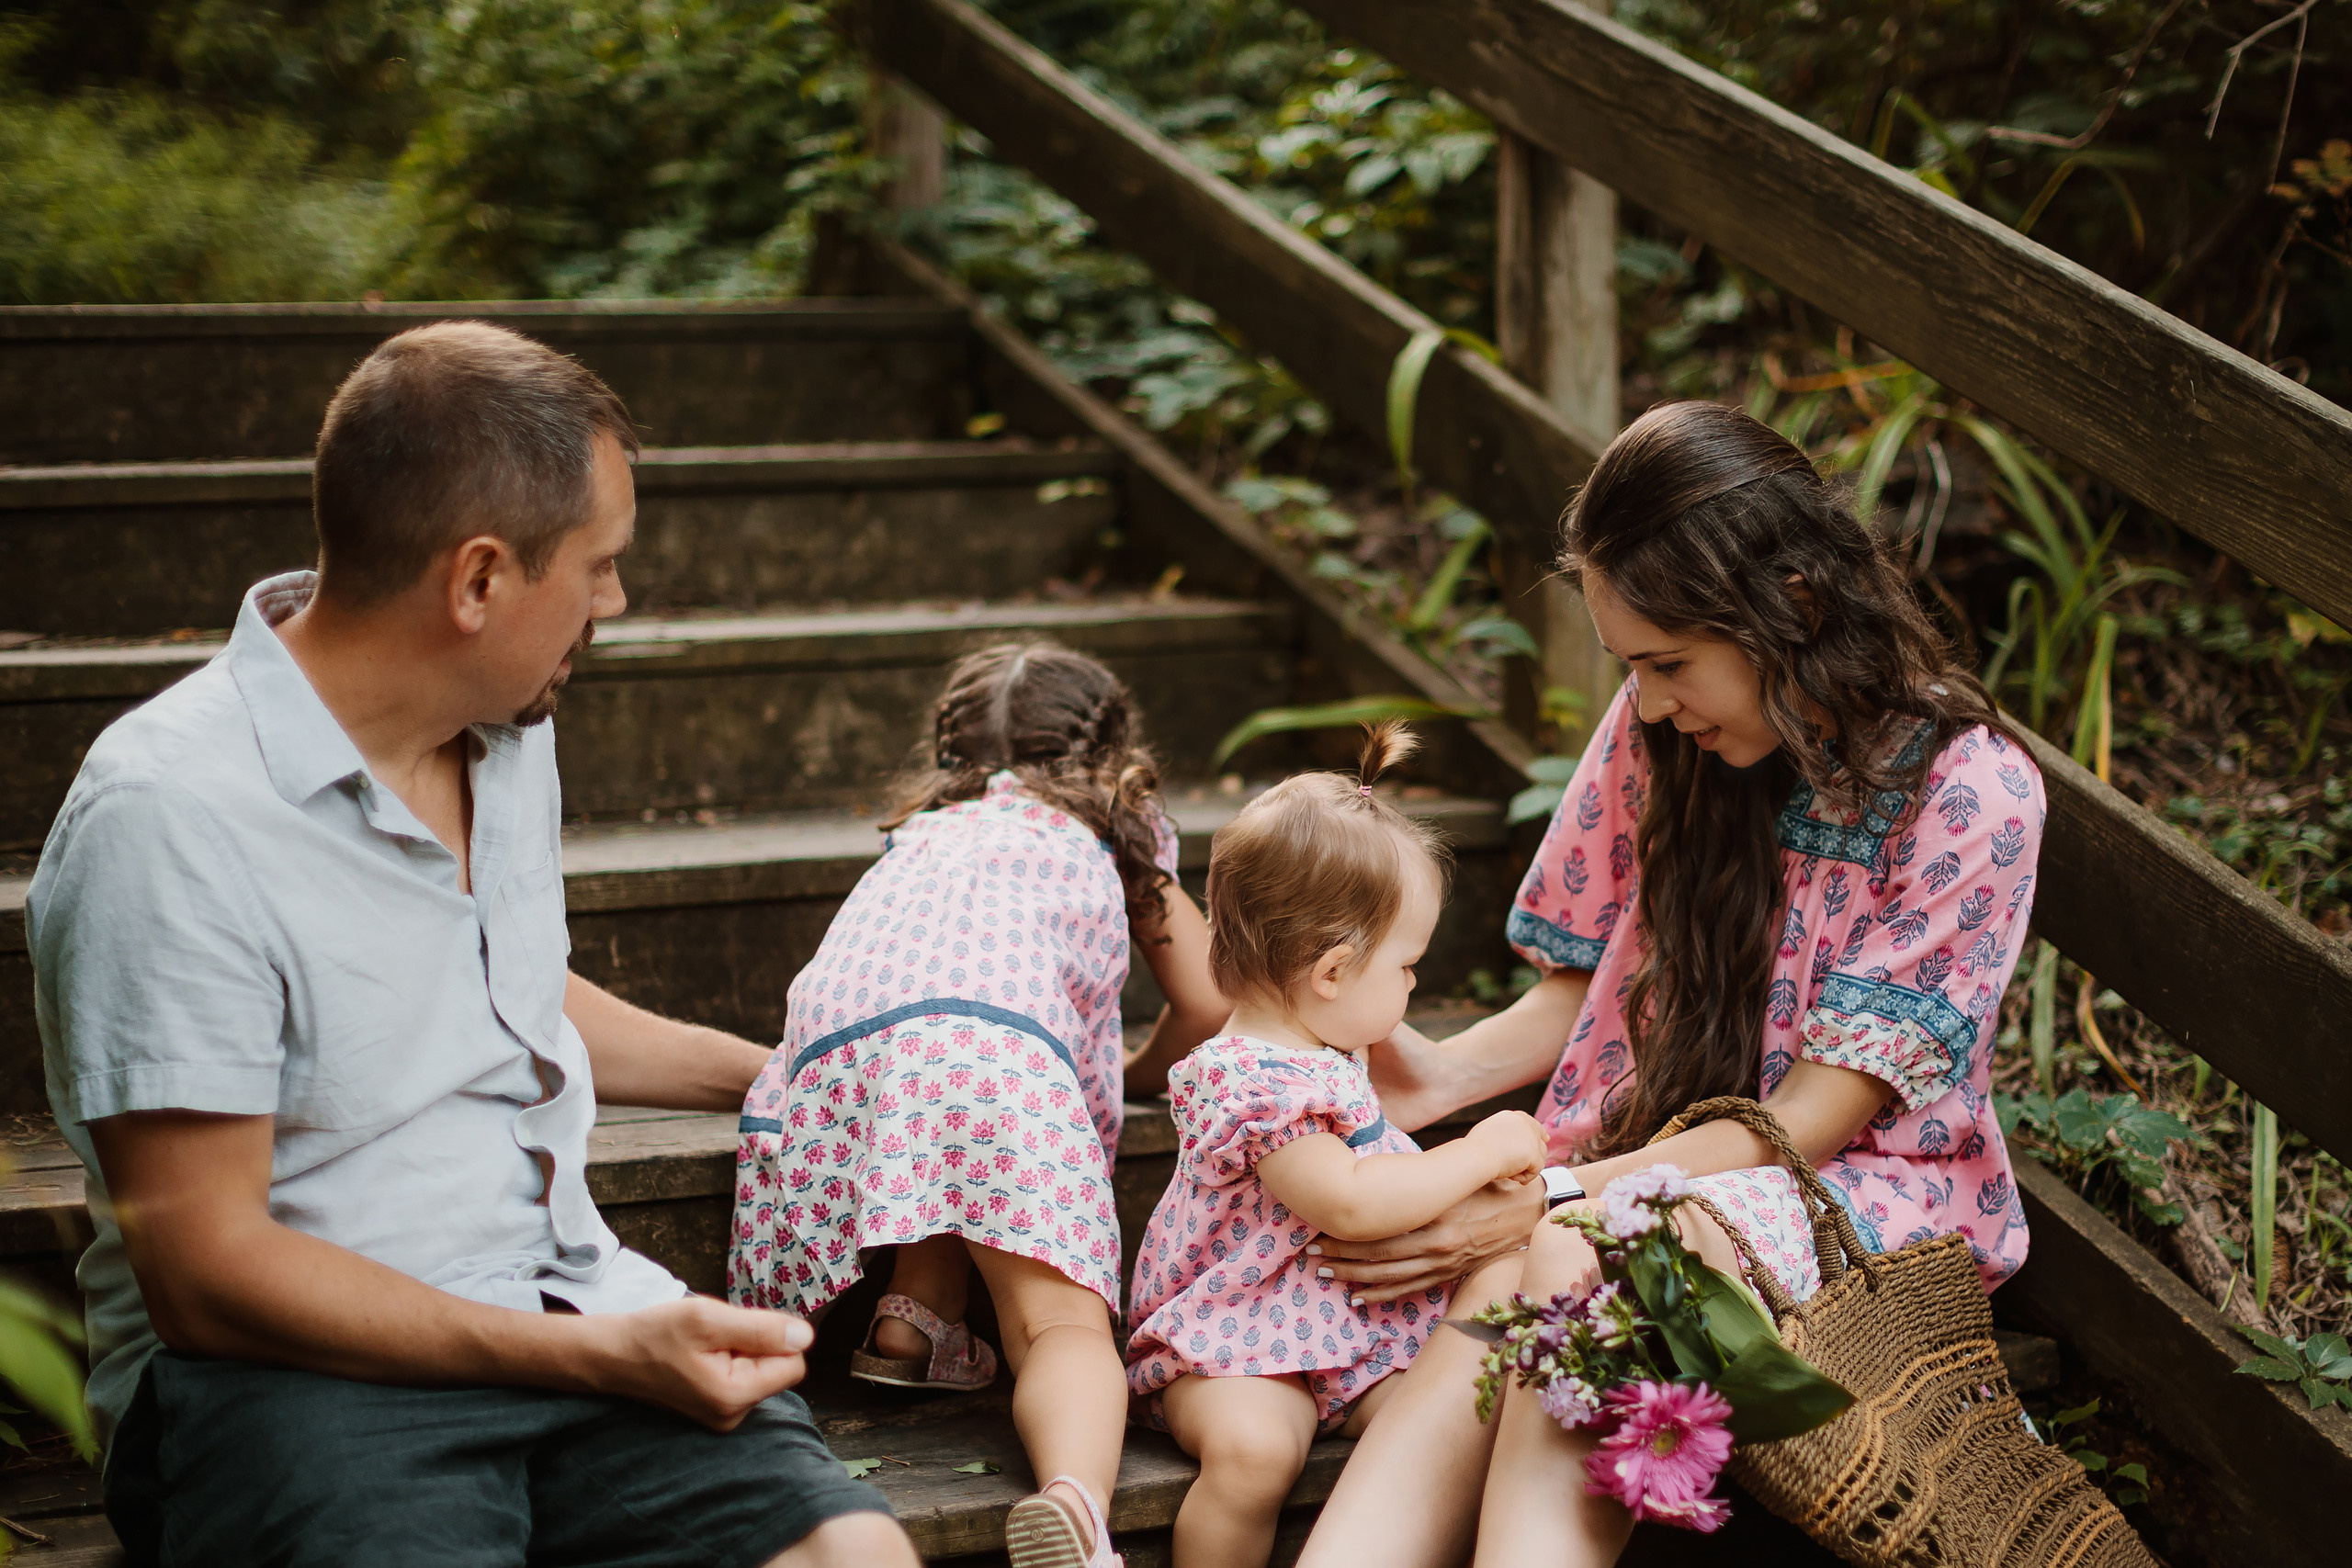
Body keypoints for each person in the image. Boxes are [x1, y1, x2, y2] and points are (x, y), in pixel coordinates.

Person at [29, 321, 916, 1568]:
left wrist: (775, 1077)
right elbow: (206, 1270)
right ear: (479, 580)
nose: (615, 599)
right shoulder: (169, 818)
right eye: (600, 565)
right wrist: (598, 1354)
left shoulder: (501, 721)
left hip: (566, 1301)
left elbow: (490, 987)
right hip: (288, 1378)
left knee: (853, 1554)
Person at [1291, 400, 2045, 1568]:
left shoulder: (1970, 793)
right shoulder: (1668, 730)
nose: (1643, 702)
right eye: (1631, 666)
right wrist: (1422, 1076)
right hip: (1647, 1163)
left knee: (1578, 1248)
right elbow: (1578, 999)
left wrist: (1551, 1194)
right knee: (1527, 1254)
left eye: (1667, 664)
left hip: (1853, 1201)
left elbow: (1810, 1125)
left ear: (1791, 605)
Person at [730, 641, 1227, 1568]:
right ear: (1109, 756)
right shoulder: (1116, 829)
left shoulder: (923, 830)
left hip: (842, 1054)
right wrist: (1134, 1065)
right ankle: (1077, 1509)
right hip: (989, 1052)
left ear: (947, 753)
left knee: (939, 1119)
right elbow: (1203, 1000)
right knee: (1059, 1326)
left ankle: (912, 1320)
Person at [1125, 725, 1543, 1568]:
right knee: (1256, 1454)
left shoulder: (1322, 1047)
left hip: (1349, 1334)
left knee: (1451, 1419)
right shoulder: (1251, 1081)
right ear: (1332, 971)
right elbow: (1349, 1202)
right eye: (1406, 966)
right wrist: (1480, 1148)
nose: (1415, 984)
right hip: (1239, 1340)